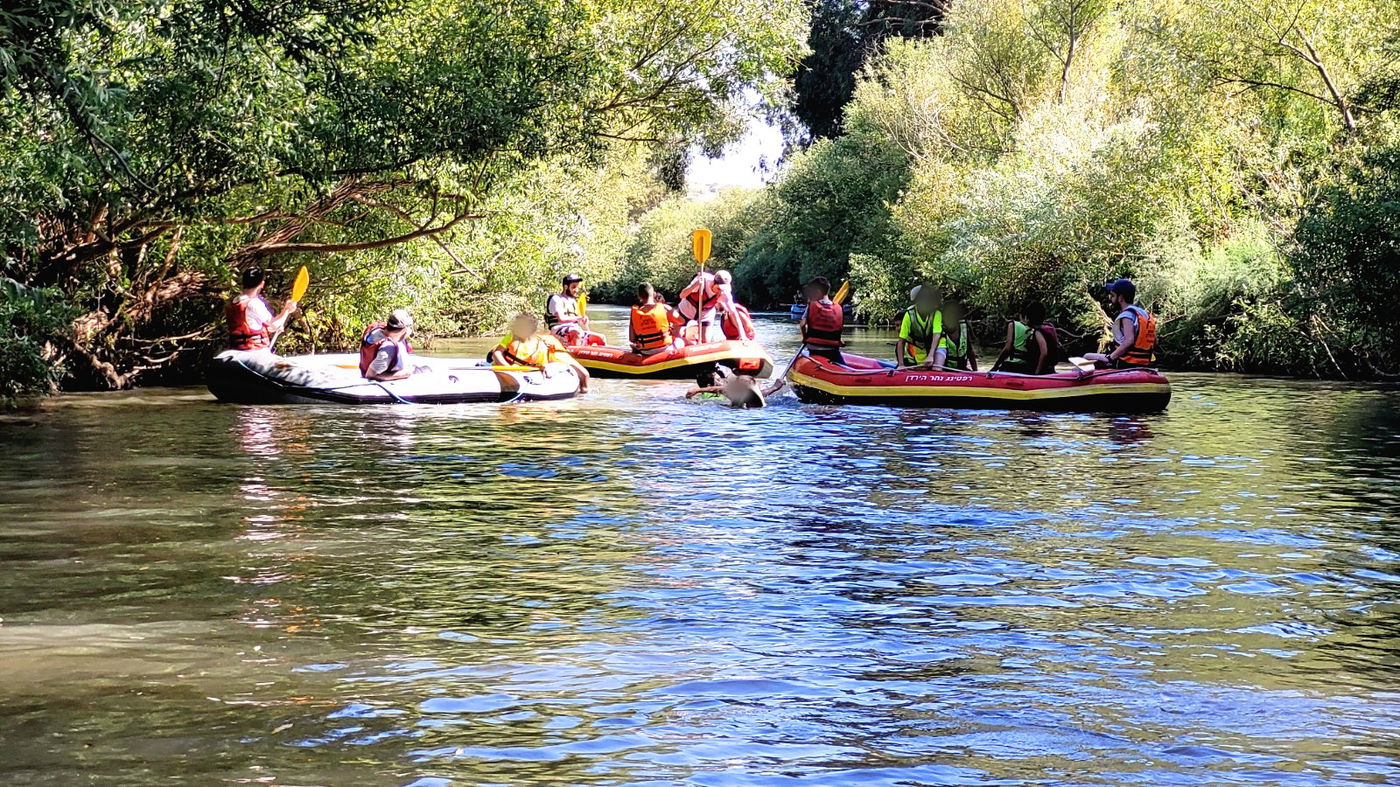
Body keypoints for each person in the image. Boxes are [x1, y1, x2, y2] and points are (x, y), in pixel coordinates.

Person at [490, 312, 591, 392]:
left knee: (583, 374)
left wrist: (548, 367)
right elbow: (496, 353)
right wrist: (508, 368)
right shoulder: (511, 337)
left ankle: (585, 392)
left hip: (547, 363)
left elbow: (584, 374)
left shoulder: (545, 347)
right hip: (511, 367)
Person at [1085, 278, 1157, 368]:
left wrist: (1110, 358)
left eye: (1113, 295)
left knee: (1087, 356)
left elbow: (1129, 341)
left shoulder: (1127, 315)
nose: (1110, 298)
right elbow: (1154, 342)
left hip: (1127, 362)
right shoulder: (1144, 314)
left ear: (1121, 298)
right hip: (1143, 362)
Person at [226, 266, 297, 351]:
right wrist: (287, 309)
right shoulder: (254, 303)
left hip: (235, 349)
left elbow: (259, 326)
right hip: (253, 351)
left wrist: (272, 328)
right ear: (261, 284)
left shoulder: (233, 302)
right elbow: (275, 325)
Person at [991, 302, 1054, 375]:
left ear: (1024, 316)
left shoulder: (1013, 325)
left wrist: (995, 366)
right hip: (1027, 368)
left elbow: (1007, 348)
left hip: (1011, 366)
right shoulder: (1045, 329)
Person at [685, 365, 786, 408]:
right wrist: (774, 387)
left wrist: (774, 387)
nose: (721, 380)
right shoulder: (733, 393)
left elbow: (761, 393)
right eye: (718, 379)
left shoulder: (747, 395)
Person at [545, 273, 605, 347]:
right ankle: (573, 355)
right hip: (558, 329)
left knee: (601, 337)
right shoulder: (556, 299)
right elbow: (561, 319)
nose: (576, 290)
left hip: (574, 328)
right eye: (573, 287)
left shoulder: (573, 301)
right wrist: (579, 318)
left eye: (577, 287)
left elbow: (577, 320)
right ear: (565, 287)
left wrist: (583, 320)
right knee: (577, 332)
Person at [362, 309, 422, 381]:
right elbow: (370, 375)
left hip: (395, 365)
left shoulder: (378, 330)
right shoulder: (387, 349)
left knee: (427, 369)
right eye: (409, 327)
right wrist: (403, 374)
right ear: (404, 329)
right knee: (428, 370)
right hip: (394, 376)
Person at [799, 276, 844, 364]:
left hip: (814, 347)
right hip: (832, 348)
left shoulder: (812, 305)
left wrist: (805, 338)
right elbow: (838, 328)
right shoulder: (838, 308)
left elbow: (802, 324)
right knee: (840, 362)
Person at [896, 284, 944, 368]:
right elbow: (901, 340)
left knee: (937, 367)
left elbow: (936, 334)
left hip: (934, 348)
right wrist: (901, 364)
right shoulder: (909, 315)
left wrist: (931, 355)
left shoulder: (936, 314)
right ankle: (904, 364)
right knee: (898, 346)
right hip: (917, 347)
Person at [629, 282, 681, 356]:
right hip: (666, 348)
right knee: (680, 341)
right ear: (654, 294)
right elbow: (682, 321)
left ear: (639, 297)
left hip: (645, 351)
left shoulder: (634, 312)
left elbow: (632, 338)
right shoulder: (665, 308)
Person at [676, 270, 727, 344]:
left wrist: (723, 308)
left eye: (722, 289)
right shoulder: (702, 279)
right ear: (713, 282)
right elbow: (682, 295)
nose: (720, 292)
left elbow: (724, 308)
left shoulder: (724, 291)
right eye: (718, 289)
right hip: (687, 308)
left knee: (705, 341)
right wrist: (696, 284)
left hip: (706, 313)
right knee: (676, 336)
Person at [714, 270, 757, 341]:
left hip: (742, 343)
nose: (715, 305)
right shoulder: (724, 314)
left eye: (717, 302)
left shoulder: (737, 311)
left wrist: (743, 338)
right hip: (731, 343)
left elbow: (750, 331)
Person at [937, 300, 978, 371]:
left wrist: (976, 372)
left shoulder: (964, 327)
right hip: (945, 371)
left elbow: (970, 352)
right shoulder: (939, 331)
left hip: (962, 370)